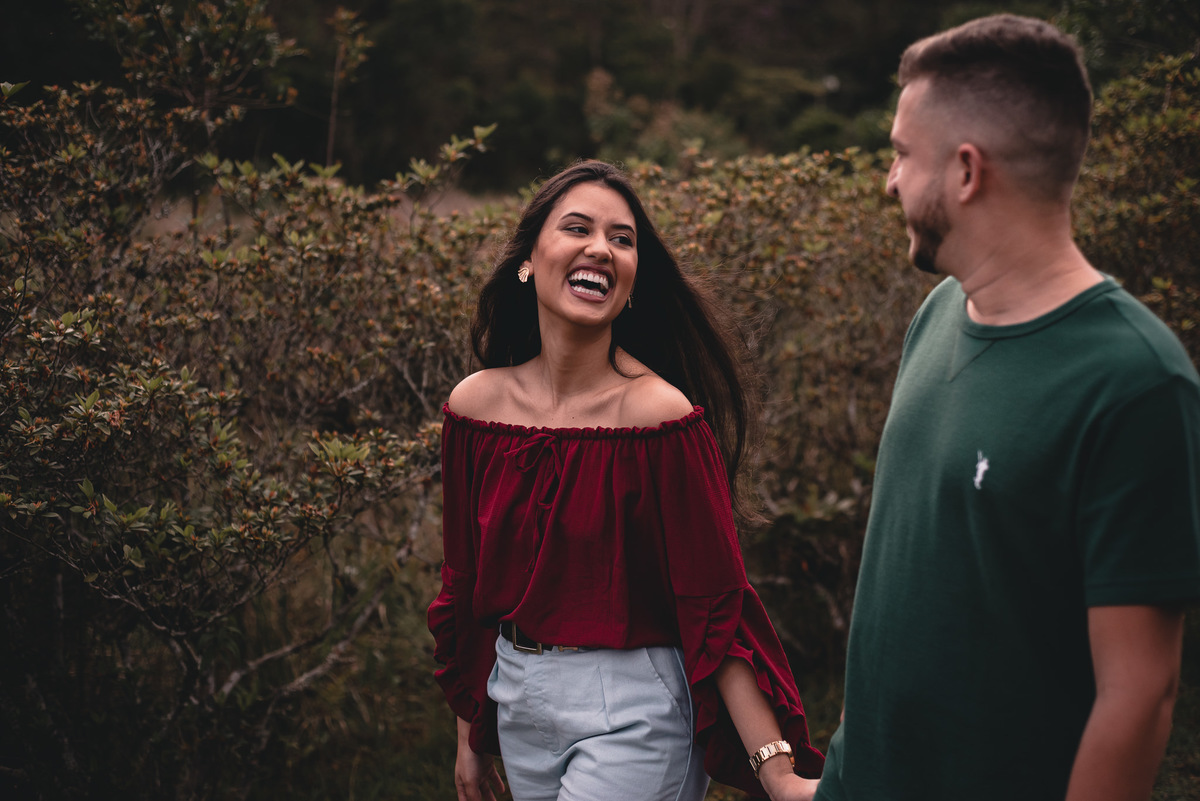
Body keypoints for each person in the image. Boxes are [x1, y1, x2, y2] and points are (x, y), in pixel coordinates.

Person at [813, 14, 1200, 801]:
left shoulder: (1134, 380)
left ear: (964, 171)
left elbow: (1140, 695)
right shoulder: (938, 314)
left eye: (899, 154)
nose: (890, 180)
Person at [427, 160, 825, 801]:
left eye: (622, 238)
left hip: (632, 711)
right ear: (530, 256)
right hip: (516, 700)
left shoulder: (659, 418)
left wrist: (776, 770)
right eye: (577, 228)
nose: (600, 249)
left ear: (634, 280)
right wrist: (470, 736)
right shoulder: (476, 409)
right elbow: (467, 588)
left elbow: (715, 601)